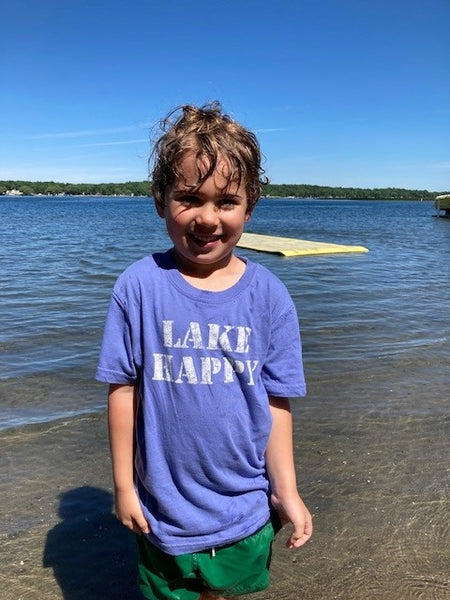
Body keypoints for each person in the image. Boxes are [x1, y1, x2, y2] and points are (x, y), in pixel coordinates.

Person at [96, 102, 313, 600]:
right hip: (163, 509)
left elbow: (276, 404)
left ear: (250, 206)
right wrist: (124, 487)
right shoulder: (139, 286)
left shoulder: (270, 297)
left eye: (226, 201)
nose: (207, 218)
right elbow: (122, 389)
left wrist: (287, 490)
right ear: (160, 200)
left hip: (244, 503)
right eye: (189, 198)